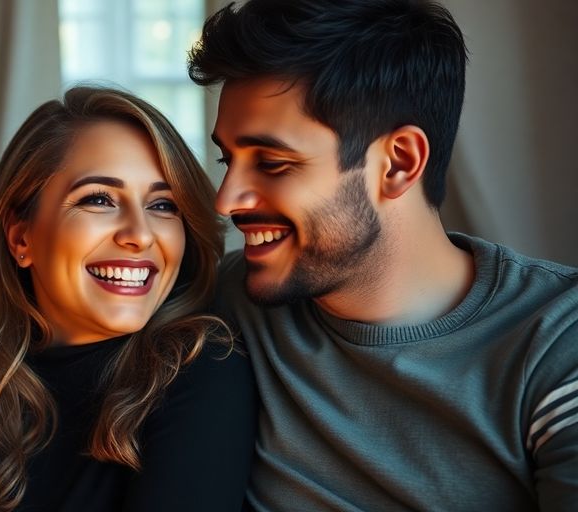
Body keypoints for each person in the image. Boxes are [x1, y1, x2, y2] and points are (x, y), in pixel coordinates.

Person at [189, 0, 578, 510]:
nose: (227, 199)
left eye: (273, 163)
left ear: (398, 163)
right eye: (228, 159)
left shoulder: (557, 343)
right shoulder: (223, 304)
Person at [0, 86, 257, 512]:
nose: (139, 234)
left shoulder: (198, 369)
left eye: (162, 205)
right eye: (99, 199)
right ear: (20, 236)